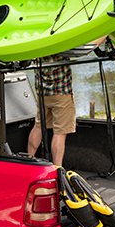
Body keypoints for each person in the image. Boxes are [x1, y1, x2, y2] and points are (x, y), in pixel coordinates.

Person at [27, 36, 107, 166]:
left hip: (43, 94)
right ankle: (57, 169)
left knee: (38, 126)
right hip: (61, 94)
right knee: (59, 133)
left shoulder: (38, 41)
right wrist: (105, 34)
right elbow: (85, 49)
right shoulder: (60, 42)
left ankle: (29, 160)